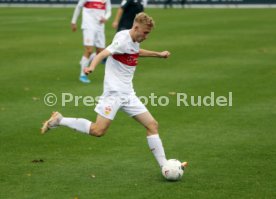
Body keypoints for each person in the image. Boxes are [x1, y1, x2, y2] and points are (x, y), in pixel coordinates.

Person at [42, 13, 187, 171]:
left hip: (128, 94)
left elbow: (135, 51)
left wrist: (158, 54)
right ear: (136, 27)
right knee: (98, 130)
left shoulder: (133, 40)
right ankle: (59, 120)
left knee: (152, 125)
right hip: (114, 94)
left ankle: (164, 166)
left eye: (148, 33)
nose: (146, 36)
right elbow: (103, 53)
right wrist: (91, 67)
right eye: (145, 32)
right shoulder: (122, 40)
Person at [71, 0, 112, 83]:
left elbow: (109, 11)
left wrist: (105, 18)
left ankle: (84, 61)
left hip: (100, 27)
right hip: (88, 25)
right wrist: (73, 21)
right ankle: (83, 75)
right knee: (89, 50)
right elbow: (79, 6)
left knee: (100, 53)